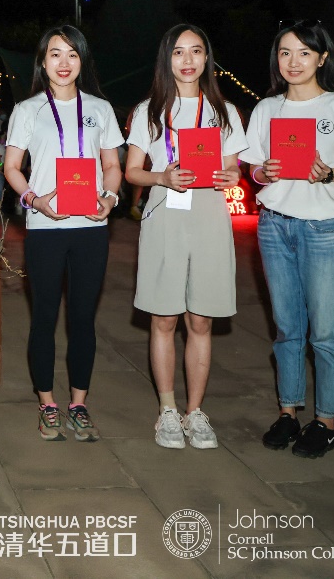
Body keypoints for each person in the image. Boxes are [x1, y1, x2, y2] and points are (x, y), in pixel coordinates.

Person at [241, 20, 334, 459]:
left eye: (303, 53)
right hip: (274, 226)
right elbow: (254, 168)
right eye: (285, 53)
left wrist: (329, 174)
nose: (293, 62)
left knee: (327, 332)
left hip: (323, 230)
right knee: (287, 328)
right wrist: (264, 172)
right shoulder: (267, 109)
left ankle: (326, 421)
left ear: (322, 57)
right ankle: (288, 412)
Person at [123, 25, 247, 450]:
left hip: (209, 216)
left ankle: (196, 412)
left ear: (207, 58)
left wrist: (232, 175)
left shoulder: (224, 111)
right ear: (167, 59)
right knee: (164, 318)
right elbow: (132, 171)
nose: (188, 60)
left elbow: (234, 168)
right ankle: (168, 411)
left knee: (201, 319)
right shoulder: (149, 111)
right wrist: (162, 176)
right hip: (165, 216)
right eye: (178, 52)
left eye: (196, 51)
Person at [2, 25, 124, 442]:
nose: (64, 62)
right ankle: (47, 404)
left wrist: (109, 198)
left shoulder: (100, 109)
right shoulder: (27, 110)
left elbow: (112, 165)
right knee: (44, 316)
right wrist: (34, 200)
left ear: (82, 60)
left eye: (72, 54)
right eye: (55, 54)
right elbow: (12, 167)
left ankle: (79, 403)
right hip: (46, 227)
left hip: (91, 227)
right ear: (43, 61)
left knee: (83, 319)